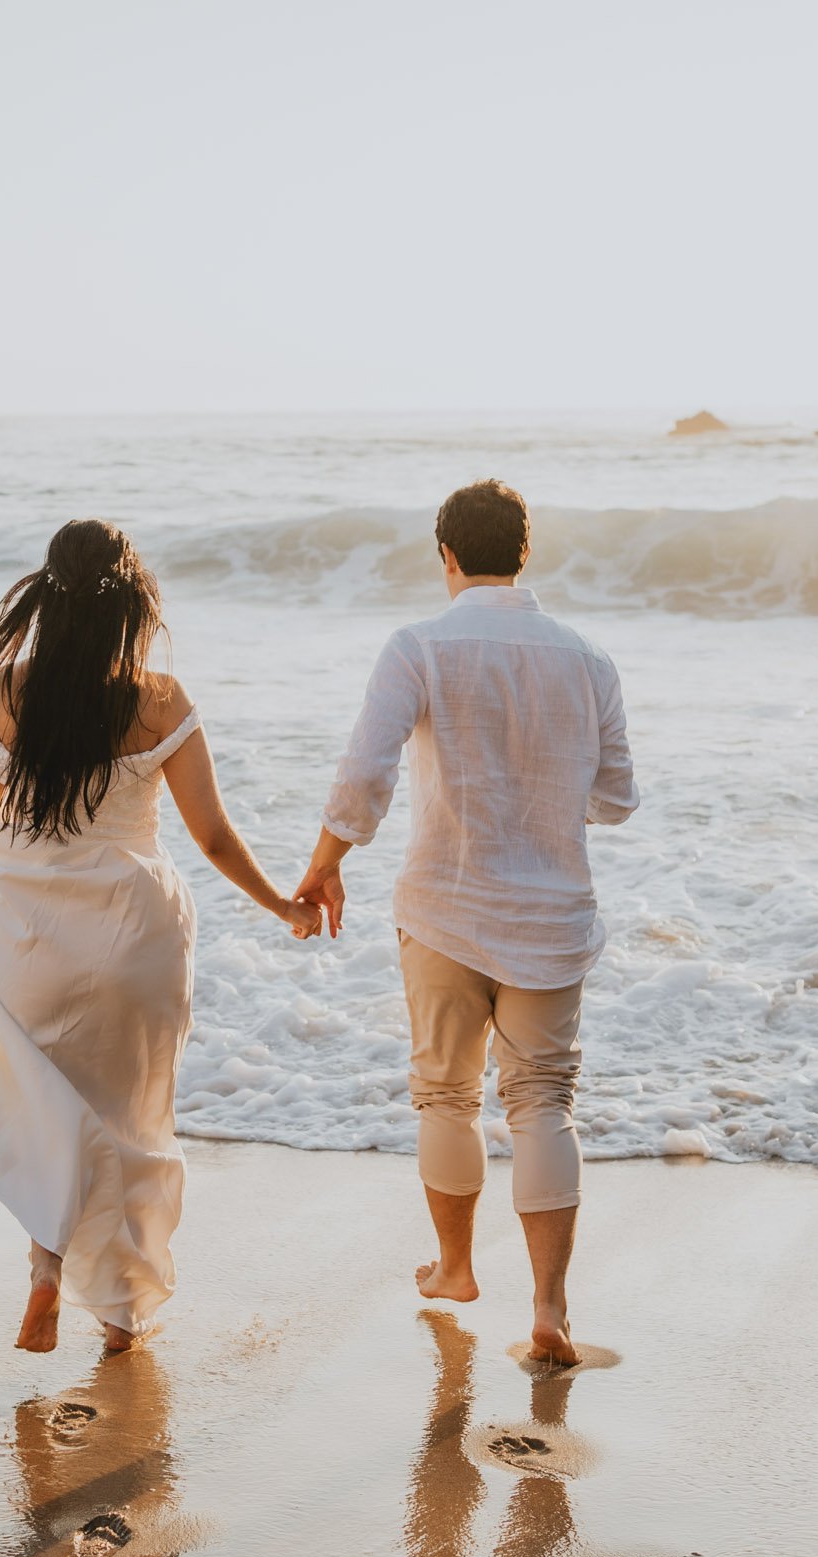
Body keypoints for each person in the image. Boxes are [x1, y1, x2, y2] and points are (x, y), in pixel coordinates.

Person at [0, 520, 320, 1355]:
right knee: (133, 1121)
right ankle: (122, 1316)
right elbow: (212, 838)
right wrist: (283, 903)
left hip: (35, 936)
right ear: (133, 602)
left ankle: (45, 1268)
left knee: (51, 1113)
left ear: (48, 593)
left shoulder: (7, 689)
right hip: (137, 935)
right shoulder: (159, 699)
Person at [293, 479, 636, 1366]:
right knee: (544, 1101)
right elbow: (615, 798)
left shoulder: (417, 646)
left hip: (444, 906)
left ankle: (454, 1268)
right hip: (551, 916)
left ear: (445, 554)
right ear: (525, 552)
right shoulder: (589, 658)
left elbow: (364, 774)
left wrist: (325, 863)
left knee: (447, 1094)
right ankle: (550, 1309)